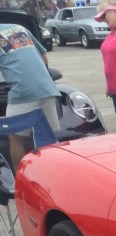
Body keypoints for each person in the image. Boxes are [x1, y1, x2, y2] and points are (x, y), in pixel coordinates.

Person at [0, 21, 60, 171]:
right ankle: (53, 176)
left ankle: (22, 179)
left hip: (22, 92)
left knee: (15, 137)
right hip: (47, 88)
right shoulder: (19, 28)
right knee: (49, 138)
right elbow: (43, 57)